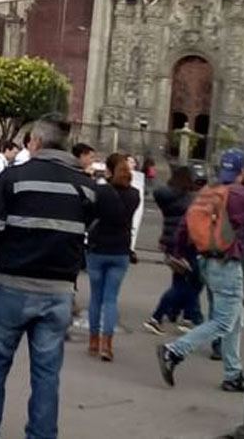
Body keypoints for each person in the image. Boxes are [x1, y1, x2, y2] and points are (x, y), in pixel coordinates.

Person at [0, 114, 95, 439]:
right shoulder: (86, 187)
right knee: (47, 374)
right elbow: (87, 233)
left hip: (12, 284)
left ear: (35, 142)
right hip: (59, 292)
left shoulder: (14, 178)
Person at [156, 148, 244, 392]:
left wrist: (177, 252)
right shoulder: (240, 193)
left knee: (234, 320)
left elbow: (185, 224)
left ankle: (233, 374)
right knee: (224, 321)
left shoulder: (208, 191)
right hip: (227, 263)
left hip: (206, 260)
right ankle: (174, 350)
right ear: (243, 170)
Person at [86, 153, 140, 361]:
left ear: (108, 169)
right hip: (120, 250)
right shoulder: (134, 194)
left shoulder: (99, 191)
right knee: (111, 299)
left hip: (98, 247)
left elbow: (89, 214)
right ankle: (107, 345)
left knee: (96, 298)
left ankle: (93, 341)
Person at [144, 166, 202, 335]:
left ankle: (186, 316)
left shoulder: (166, 196)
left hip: (170, 241)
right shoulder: (188, 198)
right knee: (190, 282)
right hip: (187, 243)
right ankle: (161, 316)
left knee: (181, 280)